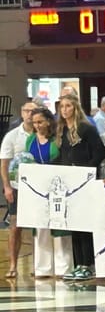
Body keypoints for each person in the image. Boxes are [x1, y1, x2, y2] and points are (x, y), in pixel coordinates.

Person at [55, 94, 105, 281]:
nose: (65, 110)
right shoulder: (62, 131)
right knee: (74, 223)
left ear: (75, 108)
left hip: (86, 183)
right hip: (70, 184)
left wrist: (86, 172)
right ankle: (79, 264)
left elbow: (100, 152)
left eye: (68, 106)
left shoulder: (87, 129)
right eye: (62, 107)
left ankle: (89, 263)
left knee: (85, 224)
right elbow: (62, 157)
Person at [26, 107, 72, 279]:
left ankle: (63, 267)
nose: (37, 125)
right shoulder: (30, 140)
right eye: (34, 122)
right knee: (40, 227)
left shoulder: (57, 139)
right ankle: (42, 268)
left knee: (59, 226)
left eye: (40, 122)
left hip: (57, 188)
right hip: (37, 190)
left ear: (49, 121)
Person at [0, 101, 39, 278]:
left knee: (39, 227)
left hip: (38, 187)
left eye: (33, 111)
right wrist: (7, 186)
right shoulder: (12, 136)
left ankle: (39, 265)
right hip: (17, 188)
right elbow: (4, 163)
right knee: (15, 226)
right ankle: (13, 265)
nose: (30, 114)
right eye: (26, 111)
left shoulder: (43, 134)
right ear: (22, 113)